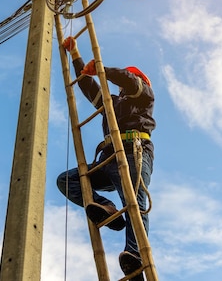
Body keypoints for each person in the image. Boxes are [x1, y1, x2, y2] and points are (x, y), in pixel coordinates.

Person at [57, 36, 156, 281]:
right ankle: (109, 209)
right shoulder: (113, 104)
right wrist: (75, 54)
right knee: (68, 181)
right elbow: (89, 87)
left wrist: (104, 70)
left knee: (134, 201)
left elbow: (128, 80)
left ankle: (135, 256)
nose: (122, 85)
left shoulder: (144, 96)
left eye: (128, 79)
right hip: (110, 157)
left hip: (134, 151)